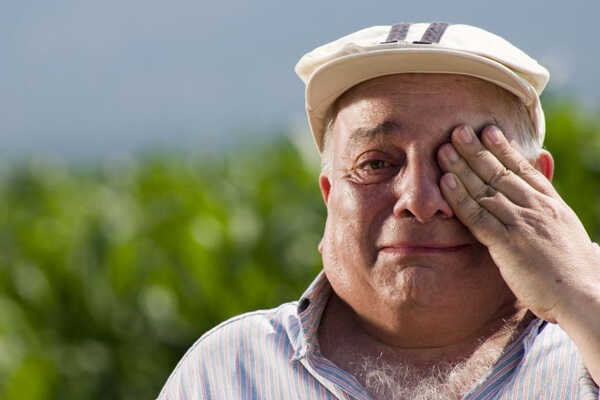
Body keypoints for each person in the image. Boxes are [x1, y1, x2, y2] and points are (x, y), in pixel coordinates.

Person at [158, 22, 600, 399]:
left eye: (463, 163)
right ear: (330, 195)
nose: (419, 202)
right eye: (375, 164)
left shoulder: (582, 355)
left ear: (538, 187)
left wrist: (585, 300)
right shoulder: (230, 371)